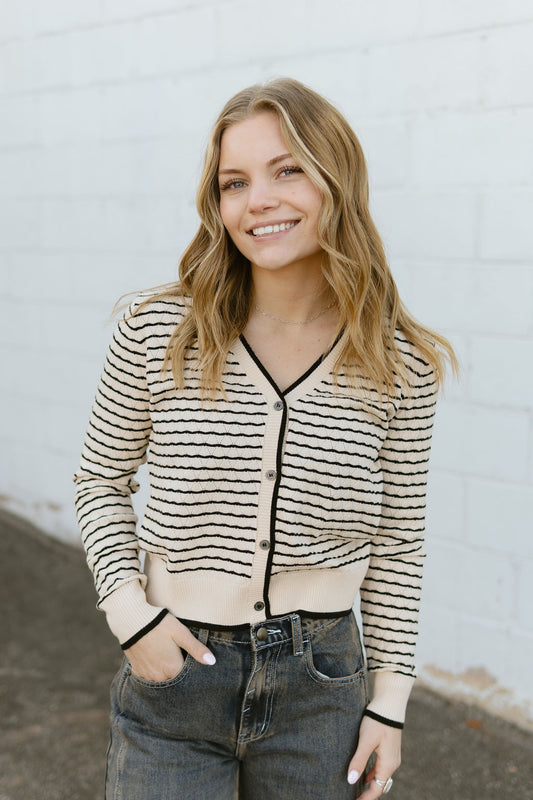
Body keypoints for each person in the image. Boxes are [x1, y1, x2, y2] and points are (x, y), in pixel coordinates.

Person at [74, 77, 457, 800]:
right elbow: (98, 480)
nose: (258, 202)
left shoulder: (399, 363)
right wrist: (130, 615)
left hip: (323, 687)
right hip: (175, 676)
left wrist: (388, 703)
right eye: (233, 182)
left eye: (288, 170)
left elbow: (398, 539)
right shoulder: (159, 331)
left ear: (334, 181)